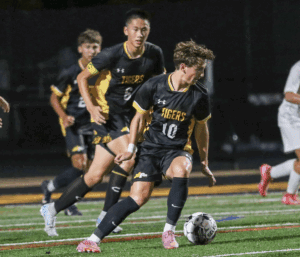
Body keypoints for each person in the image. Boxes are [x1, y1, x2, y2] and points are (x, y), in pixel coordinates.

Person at [76, 40, 217, 253]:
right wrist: (131, 148)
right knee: (138, 198)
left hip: (177, 150)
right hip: (150, 149)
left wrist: (204, 161)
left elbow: (201, 127)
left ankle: (168, 231)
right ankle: (92, 240)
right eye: (198, 70)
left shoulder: (199, 94)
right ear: (182, 67)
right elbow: (138, 119)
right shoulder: (154, 85)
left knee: (181, 169)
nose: (201, 75)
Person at [40, 8, 165, 237]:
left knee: (94, 176)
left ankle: (52, 208)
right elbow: (81, 77)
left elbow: (158, 83)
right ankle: (107, 215)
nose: (139, 34)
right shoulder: (111, 54)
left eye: (144, 30)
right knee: (130, 157)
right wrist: (91, 106)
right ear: (126, 31)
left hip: (129, 117)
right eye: (135, 29)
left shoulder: (155, 53)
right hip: (107, 116)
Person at [40, 29, 102, 217]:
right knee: (80, 164)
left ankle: (50, 187)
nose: (92, 51)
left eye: (95, 47)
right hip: (72, 124)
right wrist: (64, 116)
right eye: (88, 47)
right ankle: (67, 204)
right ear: (80, 49)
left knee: (91, 171)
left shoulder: (103, 70)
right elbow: (53, 98)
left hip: (92, 124)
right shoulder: (71, 72)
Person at [258, 61, 300, 205]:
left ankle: (270, 173)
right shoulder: (298, 67)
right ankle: (289, 195)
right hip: (291, 118)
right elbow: (289, 96)